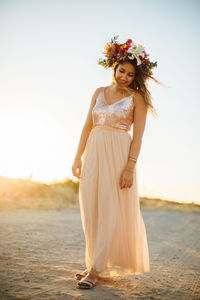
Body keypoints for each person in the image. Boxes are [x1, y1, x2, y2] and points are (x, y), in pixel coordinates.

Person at [72, 35, 159, 289]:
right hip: (94, 152)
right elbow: (87, 125)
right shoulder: (98, 92)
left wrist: (130, 167)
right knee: (93, 208)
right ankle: (94, 262)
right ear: (114, 68)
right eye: (122, 71)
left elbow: (138, 137)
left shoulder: (137, 99)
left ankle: (95, 270)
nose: (124, 77)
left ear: (136, 77)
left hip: (119, 155)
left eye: (131, 74)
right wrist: (78, 157)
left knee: (110, 208)